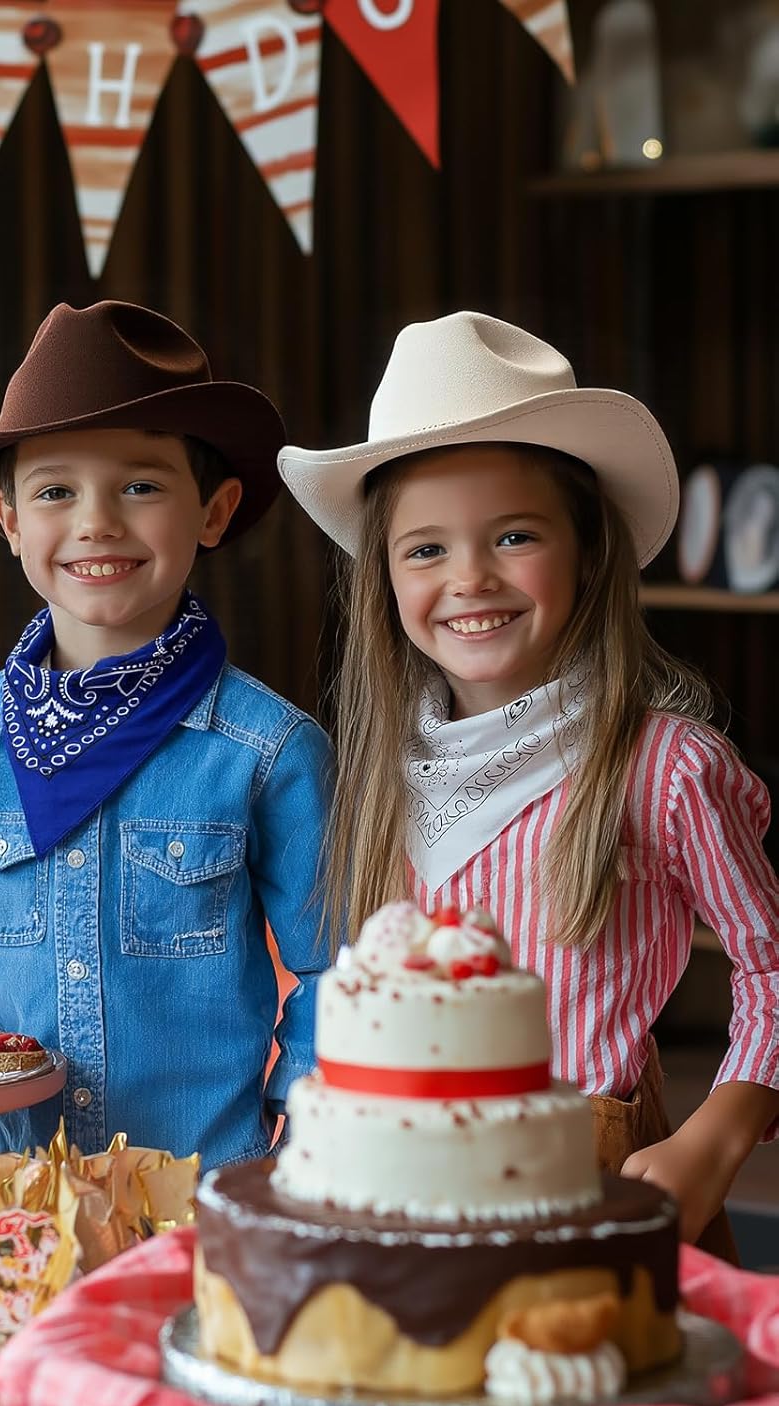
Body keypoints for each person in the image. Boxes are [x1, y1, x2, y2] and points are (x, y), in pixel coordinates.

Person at [280, 310, 779, 1254]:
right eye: (426, 549)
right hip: (403, 1194)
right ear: (384, 576)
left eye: (513, 536)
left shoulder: (663, 768)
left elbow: (771, 968)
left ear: (589, 549)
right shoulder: (377, 775)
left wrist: (714, 1140)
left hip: (600, 1192)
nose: (470, 577)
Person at [0, 299, 333, 1165]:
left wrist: (298, 1163)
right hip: (14, 1200)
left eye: (141, 486)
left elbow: (336, 975)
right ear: (10, 519)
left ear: (214, 511)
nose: (97, 521)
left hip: (204, 1196)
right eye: (56, 491)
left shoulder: (269, 751)